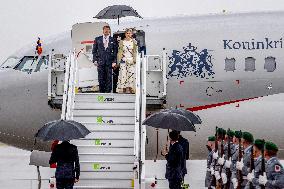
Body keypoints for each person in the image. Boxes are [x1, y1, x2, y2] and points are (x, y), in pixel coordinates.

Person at [92, 25, 117, 93]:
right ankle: (102, 93)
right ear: (103, 30)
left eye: (108, 29)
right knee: (101, 78)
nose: (106, 31)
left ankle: (108, 93)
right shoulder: (97, 39)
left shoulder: (113, 39)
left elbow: (115, 51)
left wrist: (114, 61)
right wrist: (95, 60)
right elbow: (94, 51)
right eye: (105, 29)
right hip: (100, 62)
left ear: (109, 31)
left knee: (109, 78)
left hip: (109, 62)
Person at [116, 28, 138, 94]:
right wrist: (119, 60)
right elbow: (119, 51)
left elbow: (135, 51)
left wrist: (134, 60)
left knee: (131, 74)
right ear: (125, 34)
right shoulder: (122, 42)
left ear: (132, 34)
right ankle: (123, 89)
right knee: (123, 74)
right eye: (127, 33)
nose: (128, 34)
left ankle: (131, 89)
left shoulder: (134, 41)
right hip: (124, 60)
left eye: (130, 33)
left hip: (131, 60)